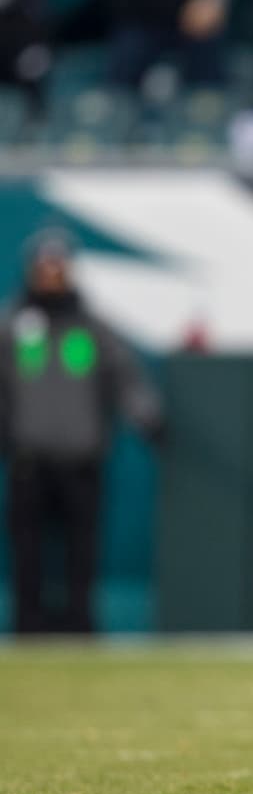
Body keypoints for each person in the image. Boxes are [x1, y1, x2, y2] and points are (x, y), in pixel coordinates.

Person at [0, 228, 165, 633]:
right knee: (28, 554)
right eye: (45, 266)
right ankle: (28, 627)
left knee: (82, 554)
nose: (52, 274)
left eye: (59, 266)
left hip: (80, 461)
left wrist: (145, 414)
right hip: (29, 460)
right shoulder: (12, 324)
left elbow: (124, 376)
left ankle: (80, 627)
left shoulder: (91, 326)